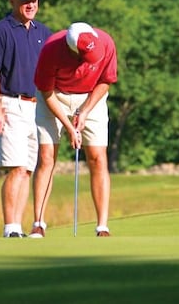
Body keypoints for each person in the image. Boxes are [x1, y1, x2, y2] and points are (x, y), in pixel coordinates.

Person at [30, 22, 117, 238]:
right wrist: (69, 127)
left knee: (98, 157)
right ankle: (38, 223)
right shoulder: (51, 49)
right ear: (73, 50)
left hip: (91, 97)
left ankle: (102, 226)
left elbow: (106, 80)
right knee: (47, 157)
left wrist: (85, 111)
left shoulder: (105, 42)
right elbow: (46, 92)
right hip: (55, 96)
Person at [0, 0, 52, 238]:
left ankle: (19, 227)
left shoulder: (43, 33)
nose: (30, 4)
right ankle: (10, 226)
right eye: (24, 0)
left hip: (39, 107)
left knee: (28, 168)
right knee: (16, 167)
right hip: (11, 104)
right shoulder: (1, 30)